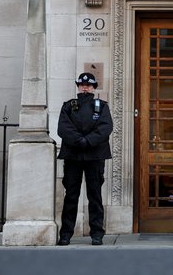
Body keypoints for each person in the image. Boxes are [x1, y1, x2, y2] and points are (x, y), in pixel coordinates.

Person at [57, 72, 113, 246]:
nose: (85, 87)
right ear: (78, 86)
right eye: (81, 85)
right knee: (71, 196)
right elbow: (63, 128)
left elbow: (106, 127)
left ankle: (97, 234)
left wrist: (87, 141)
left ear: (94, 88)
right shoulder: (68, 106)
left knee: (94, 196)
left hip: (94, 156)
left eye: (88, 85)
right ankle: (66, 234)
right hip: (73, 156)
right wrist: (78, 140)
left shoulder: (102, 106)